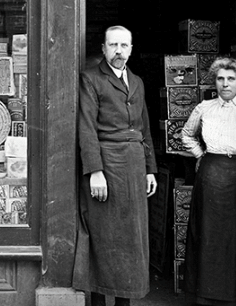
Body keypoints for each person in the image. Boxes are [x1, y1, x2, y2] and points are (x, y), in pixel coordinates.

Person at [73, 25, 158, 306]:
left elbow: (144, 128)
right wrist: (95, 171)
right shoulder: (90, 79)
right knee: (104, 235)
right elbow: (86, 128)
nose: (118, 51)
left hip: (134, 167)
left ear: (131, 49)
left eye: (123, 45)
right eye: (113, 45)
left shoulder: (137, 82)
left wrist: (150, 169)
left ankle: (125, 302)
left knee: (132, 237)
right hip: (106, 165)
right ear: (103, 48)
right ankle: (98, 300)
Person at [181, 57, 236, 305]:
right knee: (207, 232)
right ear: (214, 82)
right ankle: (205, 295)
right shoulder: (204, 108)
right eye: (220, 79)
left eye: (231, 79)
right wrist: (200, 155)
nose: (225, 84)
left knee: (235, 234)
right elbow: (186, 134)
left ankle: (233, 295)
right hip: (210, 174)